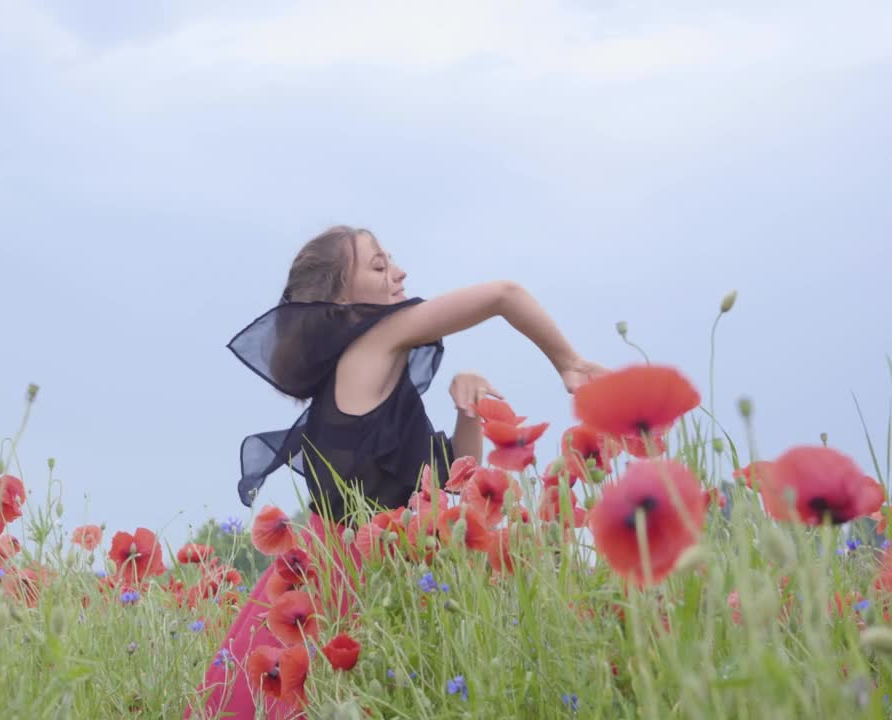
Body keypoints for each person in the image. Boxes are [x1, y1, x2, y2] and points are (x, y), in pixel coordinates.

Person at [187, 225, 605, 718]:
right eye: (379, 267)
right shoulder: (375, 341)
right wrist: (569, 362)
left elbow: (453, 478)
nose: (400, 273)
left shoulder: (365, 380)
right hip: (354, 580)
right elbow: (503, 294)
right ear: (340, 301)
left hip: (363, 571)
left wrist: (467, 405)